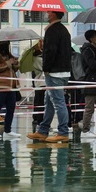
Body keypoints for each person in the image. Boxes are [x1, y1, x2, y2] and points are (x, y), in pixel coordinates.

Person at [28, 11, 73, 143]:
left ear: (53, 14)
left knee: (58, 102)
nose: (47, 14)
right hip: (63, 71)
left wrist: (46, 68)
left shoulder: (52, 30)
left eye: (49, 12)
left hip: (54, 72)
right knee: (49, 101)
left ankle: (63, 132)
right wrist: (44, 47)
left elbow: (51, 51)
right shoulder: (64, 30)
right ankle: (43, 130)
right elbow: (59, 51)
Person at [0, 41, 20, 138]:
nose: (7, 45)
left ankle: (8, 130)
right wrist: (7, 63)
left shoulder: (8, 54)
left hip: (11, 85)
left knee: (11, 107)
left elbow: (14, 69)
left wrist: (15, 63)